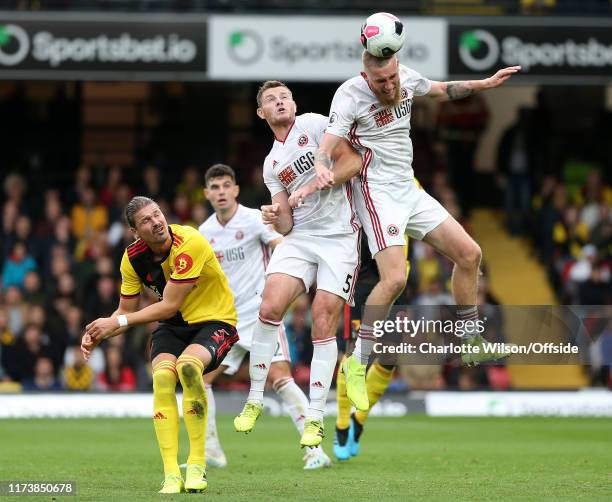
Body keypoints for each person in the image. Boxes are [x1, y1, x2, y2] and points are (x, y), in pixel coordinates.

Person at [295, 46, 520, 411]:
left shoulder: (406, 78)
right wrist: (322, 166)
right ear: (367, 76)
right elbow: (328, 144)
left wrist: (485, 83)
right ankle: (356, 359)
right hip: (376, 193)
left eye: (393, 78)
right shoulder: (350, 94)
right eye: (381, 81)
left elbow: (444, 90)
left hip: (408, 188)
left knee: (470, 254)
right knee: (395, 280)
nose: (389, 86)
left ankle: (470, 337)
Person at [233, 80, 363, 448]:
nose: (280, 102)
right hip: (301, 238)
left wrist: (323, 180)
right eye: (271, 100)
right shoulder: (271, 163)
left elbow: (353, 160)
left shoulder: (314, 125)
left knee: (324, 317)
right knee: (269, 304)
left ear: (294, 104)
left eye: (285, 97)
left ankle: (316, 418)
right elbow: (287, 221)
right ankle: (255, 397)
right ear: (261, 113)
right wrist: (274, 215)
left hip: (339, 237)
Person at [81, 196, 238, 494]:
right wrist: (99, 330)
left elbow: (167, 306)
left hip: (215, 321)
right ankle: (170, 474)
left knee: (189, 368)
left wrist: (119, 323)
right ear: (135, 232)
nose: (156, 222)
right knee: (164, 377)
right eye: (146, 221)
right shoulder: (131, 258)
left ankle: (196, 464)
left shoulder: (189, 241)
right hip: (175, 327)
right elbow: (124, 313)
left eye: (157, 214)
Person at [197, 163, 331, 469]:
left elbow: (281, 245)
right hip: (226, 320)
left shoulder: (254, 220)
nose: (220, 192)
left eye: (225, 186)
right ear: (207, 193)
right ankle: (211, 451)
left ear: (235, 190)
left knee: (280, 378)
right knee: (200, 380)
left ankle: (315, 450)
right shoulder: (205, 232)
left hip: (261, 316)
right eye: (214, 187)